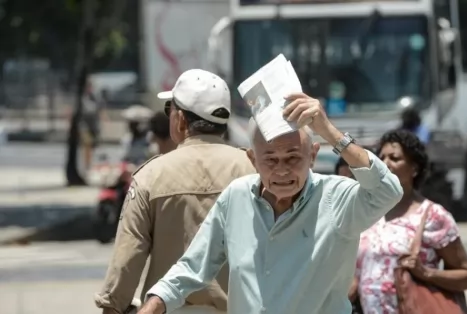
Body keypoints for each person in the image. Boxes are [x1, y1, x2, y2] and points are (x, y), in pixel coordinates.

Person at [136, 92, 404, 314]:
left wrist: (329, 131)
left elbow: (388, 190)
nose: (283, 171)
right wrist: (155, 303)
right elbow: (193, 266)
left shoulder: (338, 198)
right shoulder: (236, 197)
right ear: (253, 160)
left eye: (292, 158)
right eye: (271, 160)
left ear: (312, 155)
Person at [94, 69, 256, 314]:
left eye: (170, 109)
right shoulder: (255, 170)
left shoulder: (150, 176)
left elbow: (126, 263)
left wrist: (111, 307)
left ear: (180, 119)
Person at [349, 129, 467, 313]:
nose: (386, 164)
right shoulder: (368, 211)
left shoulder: (433, 216)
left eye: (395, 158)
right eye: (382, 158)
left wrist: (426, 273)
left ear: (414, 169)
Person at [81, 79, 107, 171]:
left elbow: (101, 109)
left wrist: (103, 118)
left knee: (93, 146)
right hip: (84, 125)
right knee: (87, 144)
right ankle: (87, 164)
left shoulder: (95, 97)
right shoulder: (82, 98)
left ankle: (90, 163)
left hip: (94, 125)